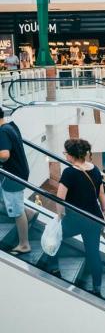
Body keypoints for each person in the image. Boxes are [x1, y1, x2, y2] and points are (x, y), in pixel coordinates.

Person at [45, 139, 105, 296]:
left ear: (72, 155)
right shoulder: (95, 169)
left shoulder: (69, 172)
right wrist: (104, 212)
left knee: (54, 236)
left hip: (76, 219)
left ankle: (54, 268)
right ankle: (97, 288)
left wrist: (60, 216)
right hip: (94, 218)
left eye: (65, 153)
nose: (65, 156)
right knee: (93, 253)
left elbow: (60, 198)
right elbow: (101, 194)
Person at [0, 108, 36, 255]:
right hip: (20, 173)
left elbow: (4, 155)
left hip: (13, 177)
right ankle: (30, 214)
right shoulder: (10, 126)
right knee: (11, 203)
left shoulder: (2, 132)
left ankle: (24, 244)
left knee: (16, 211)